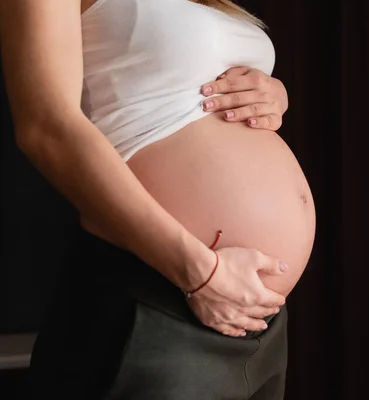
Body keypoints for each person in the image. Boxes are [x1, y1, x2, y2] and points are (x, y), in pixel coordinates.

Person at [0, 0, 316, 398]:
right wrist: (199, 272)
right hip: (161, 292)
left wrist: (271, 94)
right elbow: (45, 126)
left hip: (253, 316)